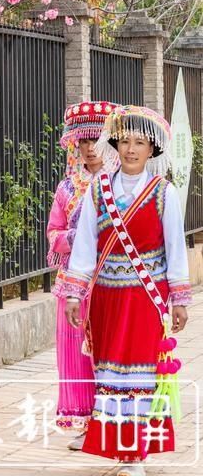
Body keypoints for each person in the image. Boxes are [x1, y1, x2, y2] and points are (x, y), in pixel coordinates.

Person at [57, 104, 192, 475]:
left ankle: (136, 453)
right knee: (110, 372)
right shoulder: (98, 190)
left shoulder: (163, 193)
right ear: (114, 144)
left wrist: (178, 299)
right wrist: (74, 293)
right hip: (107, 297)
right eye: (125, 141)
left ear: (153, 150)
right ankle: (119, 447)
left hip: (146, 298)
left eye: (140, 142)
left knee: (141, 372)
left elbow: (174, 248)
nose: (131, 149)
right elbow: (85, 245)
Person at [47, 101, 119, 450]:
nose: (90, 149)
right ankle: (87, 423)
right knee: (77, 354)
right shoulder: (67, 188)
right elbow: (54, 234)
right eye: (84, 142)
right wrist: (79, 236)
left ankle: (116, 420)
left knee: (111, 351)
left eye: (97, 140)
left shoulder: (124, 186)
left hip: (113, 281)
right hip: (74, 283)